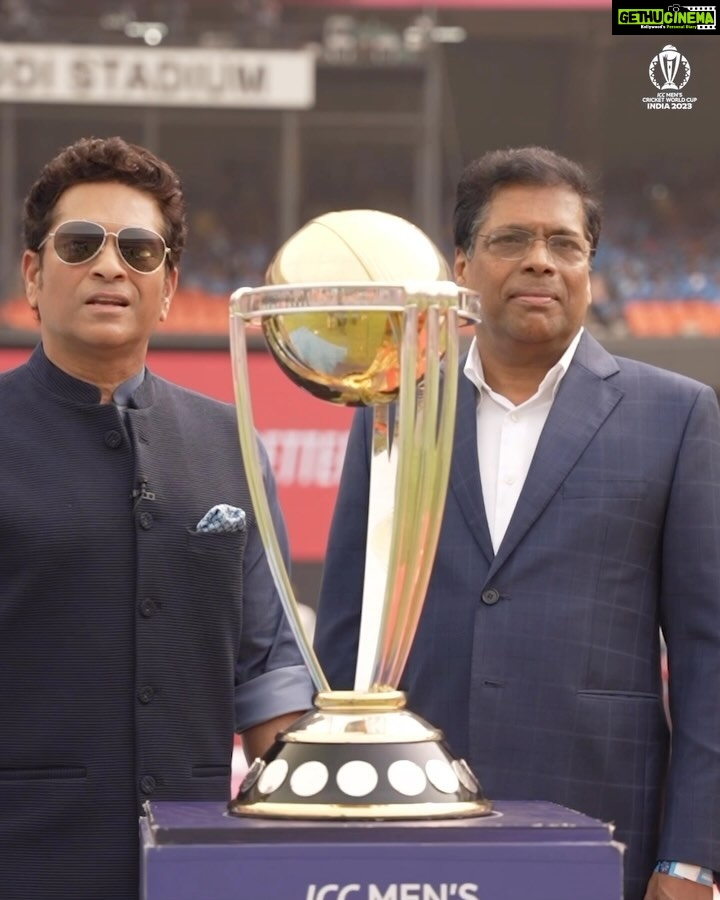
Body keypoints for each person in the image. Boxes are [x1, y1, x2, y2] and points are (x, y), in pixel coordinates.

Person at [314, 146, 720, 900]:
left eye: (564, 244)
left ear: (590, 271)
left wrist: (692, 857)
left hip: (601, 832)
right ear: (462, 266)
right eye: (511, 240)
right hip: (411, 823)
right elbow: (346, 628)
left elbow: (707, 655)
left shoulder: (678, 415)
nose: (541, 261)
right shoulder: (392, 409)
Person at [0, 135, 313, 900]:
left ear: (168, 287)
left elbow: (269, 678)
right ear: (34, 276)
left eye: (138, 251)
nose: (111, 266)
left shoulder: (232, 442)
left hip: (201, 866)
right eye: (81, 244)